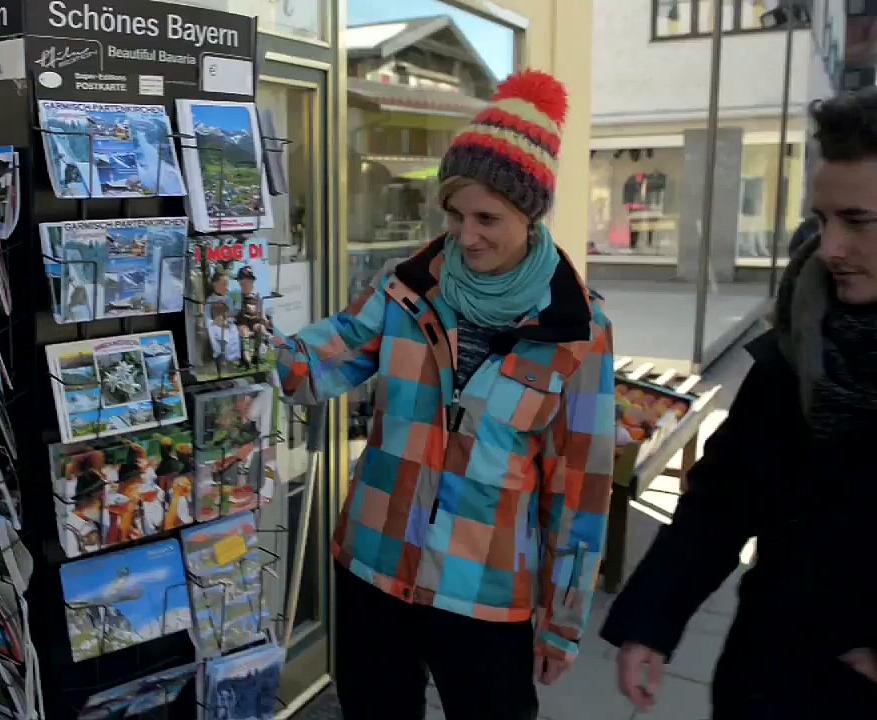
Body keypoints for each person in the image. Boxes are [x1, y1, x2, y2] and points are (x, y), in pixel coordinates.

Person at [271, 69, 616, 719]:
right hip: (373, 568)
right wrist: (247, 351)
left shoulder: (581, 330)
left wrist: (562, 620)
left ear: (531, 213)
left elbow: (581, 488)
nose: (466, 235)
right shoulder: (406, 288)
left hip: (484, 594)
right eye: (454, 213)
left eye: (488, 217)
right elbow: (328, 356)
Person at [600, 88, 877, 718]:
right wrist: (652, 621)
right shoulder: (799, 344)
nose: (830, 247)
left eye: (856, 221)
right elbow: (724, 500)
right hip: (763, 677)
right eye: (823, 219)